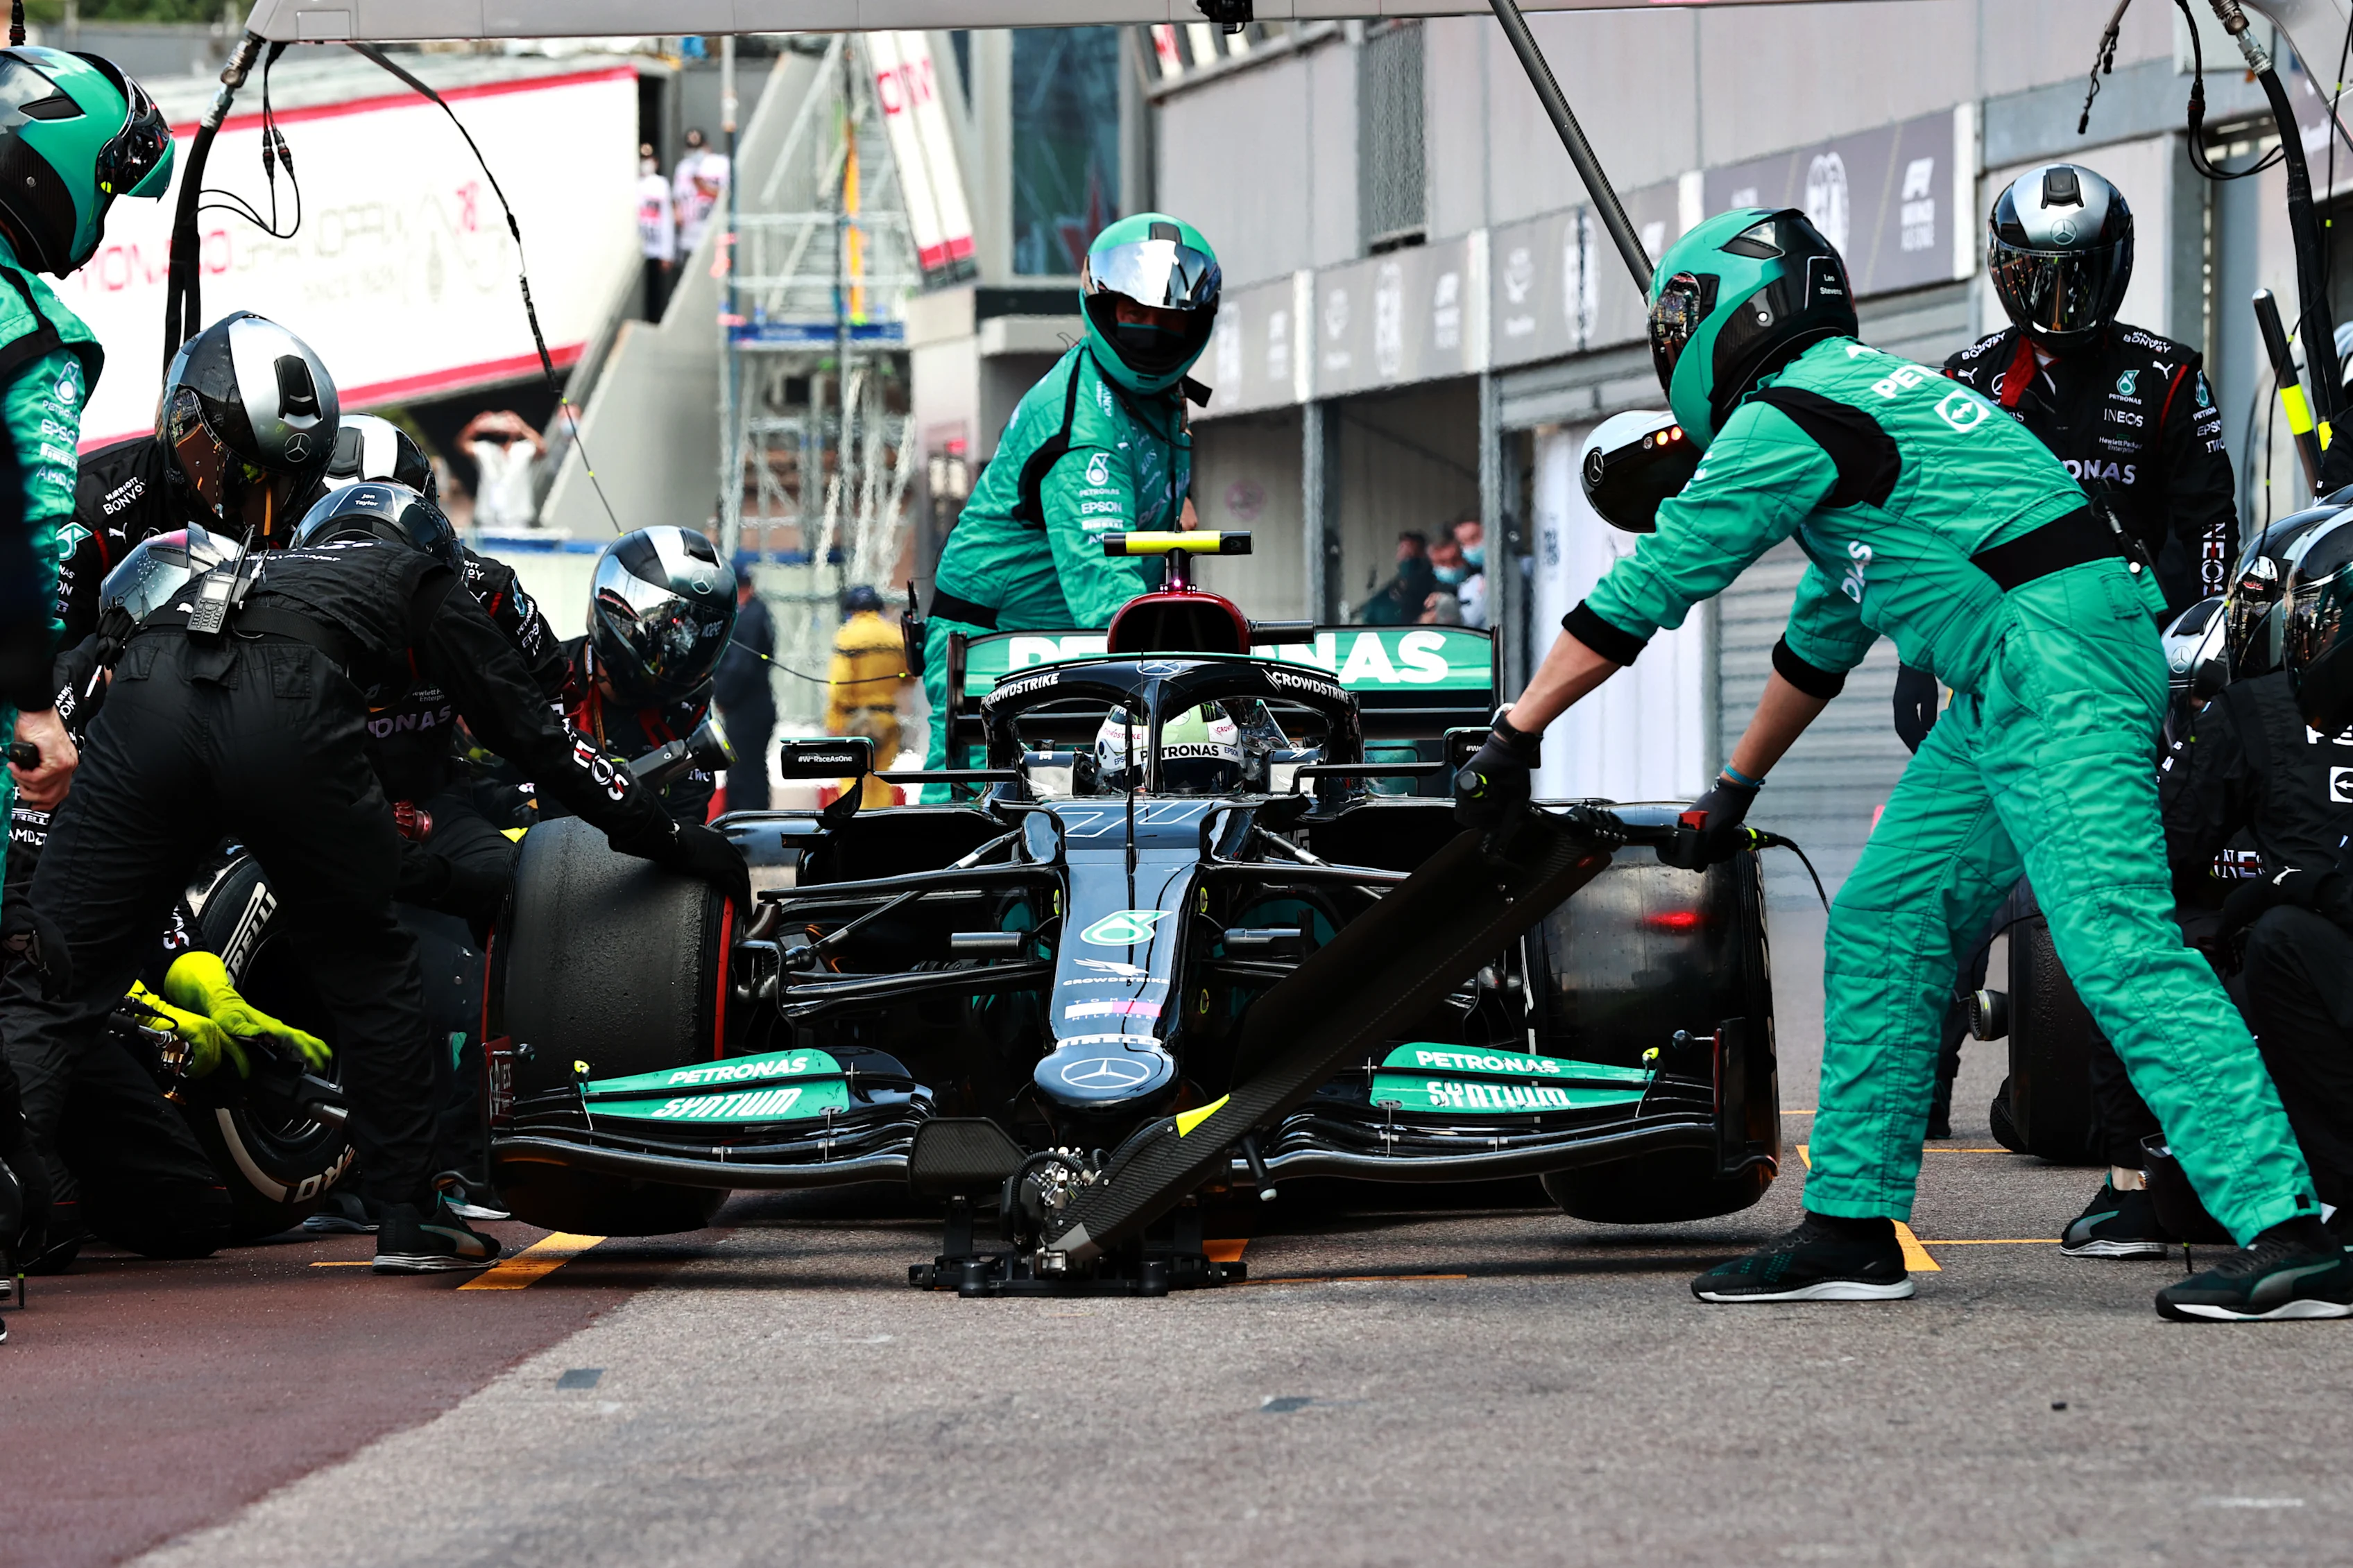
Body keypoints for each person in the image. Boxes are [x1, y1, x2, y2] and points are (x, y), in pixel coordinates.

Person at [1453, 205, 2347, 1322]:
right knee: (1885, 912)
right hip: (2018, 674)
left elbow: (1654, 585)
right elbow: (1822, 637)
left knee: (2118, 945)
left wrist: (1515, 728)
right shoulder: (1869, 397)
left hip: (2050, 665)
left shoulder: (1789, 415)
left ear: (1717, 320)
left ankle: (2291, 1229)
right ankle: (1852, 1227)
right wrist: (1733, 788)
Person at [2, 494, 750, 1274]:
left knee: (55, 978)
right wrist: (667, 837)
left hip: (150, 691)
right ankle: (409, 1212)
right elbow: (538, 738)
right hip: (280, 703)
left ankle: (7, 1201)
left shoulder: (257, 563)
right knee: (366, 963)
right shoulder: (422, 580)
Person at [921, 214, 1218, 769]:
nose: (1152, 330)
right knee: (969, 796)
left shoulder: (1157, 400)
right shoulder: (1087, 430)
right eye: (1135, 313)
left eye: (1169, 320)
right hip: (996, 642)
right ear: (1105, 307)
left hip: (1067, 638)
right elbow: (1100, 581)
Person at [61, 311, 338, 652]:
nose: (269, 514)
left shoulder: (311, 510)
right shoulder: (87, 512)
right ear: (186, 430)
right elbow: (40, 675)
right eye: (248, 478)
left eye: (287, 487)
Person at [551, 526, 739, 827]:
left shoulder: (691, 710)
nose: (682, 653)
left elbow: (686, 819)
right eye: (666, 632)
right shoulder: (549, 676)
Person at [827, 585, 909, 809]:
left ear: (852, 609)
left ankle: (854, 832)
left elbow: (839, 685)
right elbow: (909, 677)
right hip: (887, 718)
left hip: (854, 720)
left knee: (853, 779)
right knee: (882, 780)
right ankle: (880, 830)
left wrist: (835, 719)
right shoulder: (896, 637)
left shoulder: (848, 636)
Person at [712, 553, 775, 811]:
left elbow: (741, 666)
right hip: (755, 706)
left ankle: (744, 824)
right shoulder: (758, 612)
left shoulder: (748, 618)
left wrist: (722, 696)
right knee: (750, 769)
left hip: (747, 709)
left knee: (744, 772)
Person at [458, 409, 545, 532]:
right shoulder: (485, 449)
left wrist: (521, 427)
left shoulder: (523, 449)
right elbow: (461, 445)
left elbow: (542, 448)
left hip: (517, 518)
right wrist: (476, 426)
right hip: (488, 518)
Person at [672, 127, 730, 259]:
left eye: (698, 149)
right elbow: (676, 197)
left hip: (716, 231)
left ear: (706, 146)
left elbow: (728, 195)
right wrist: (676, 211)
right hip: (690, 235)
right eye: (692, 149)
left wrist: (704, 187)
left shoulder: (721, 164)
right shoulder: (684, 167)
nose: (695, 153)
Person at [635, 142, 676, 322]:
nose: (646, 163)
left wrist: (667, 251)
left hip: (656, 246)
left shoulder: (660, 184)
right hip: (638, 247)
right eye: (643, 159)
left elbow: (667, 219)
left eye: (649, 159)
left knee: (655, 292)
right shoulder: (632, 183)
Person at [1358, 532, 1432, 626]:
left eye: (1410, 552)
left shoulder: (1431, 584)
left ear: (1422, 553)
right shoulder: (1392, 589)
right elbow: (1371, 612)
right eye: (1402, 549)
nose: (1405, 555)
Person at [1453, 517, 1489, 629]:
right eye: (1464, 542)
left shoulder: (1524, 567)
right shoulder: (1471, 581)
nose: (1470, 547)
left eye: (1475, 538)